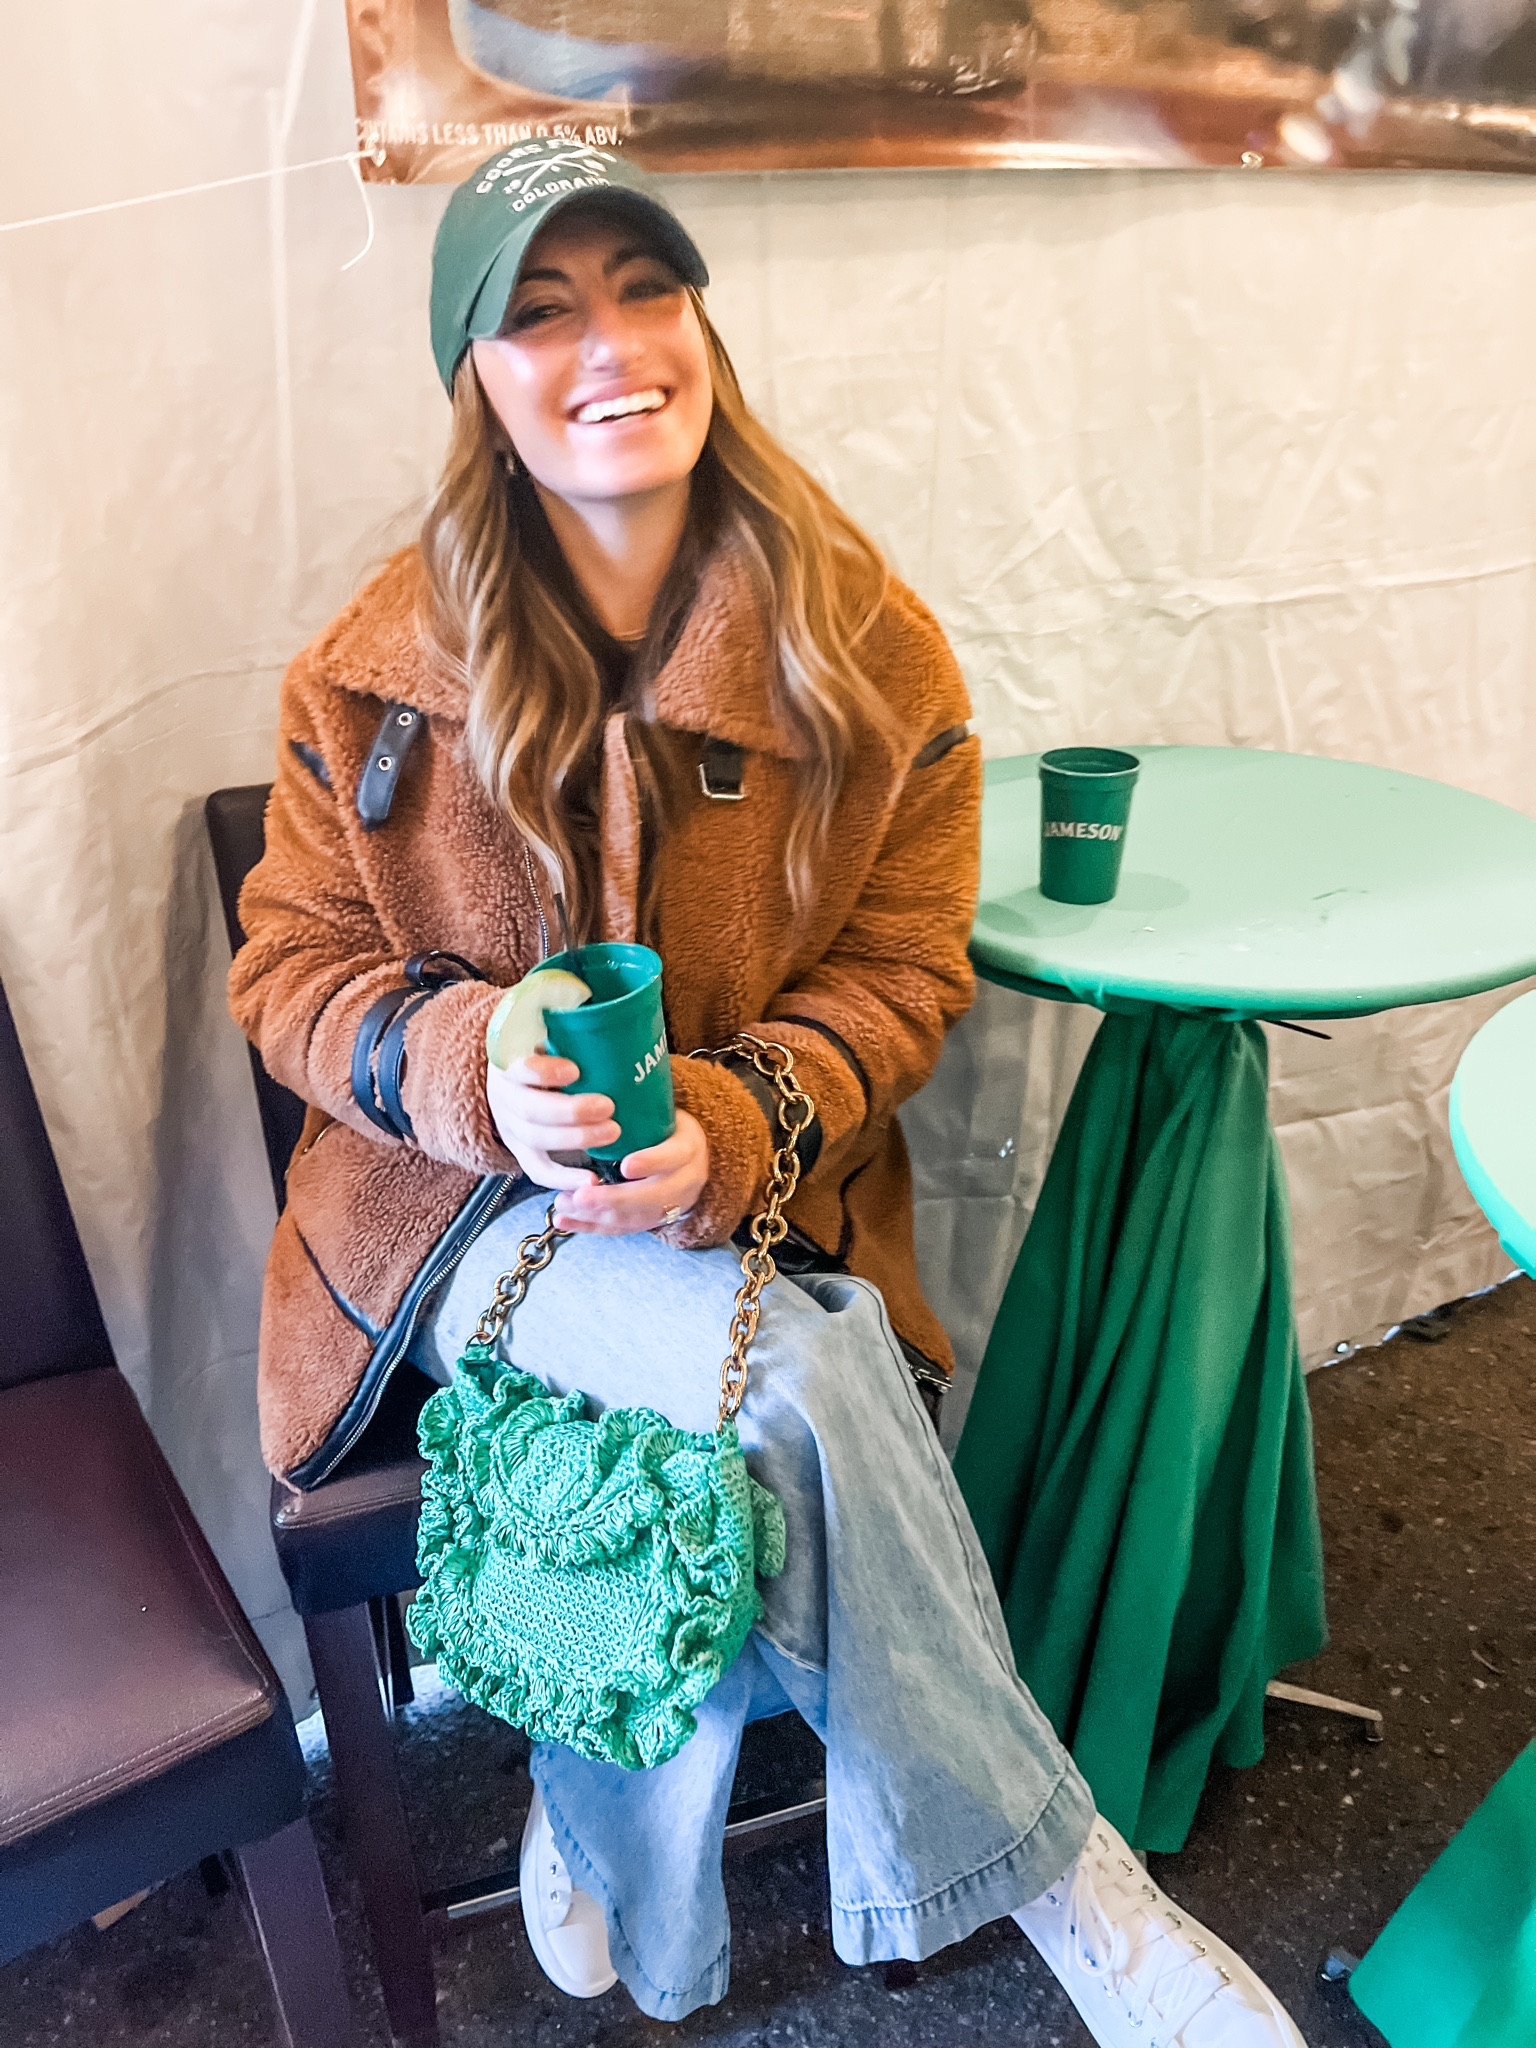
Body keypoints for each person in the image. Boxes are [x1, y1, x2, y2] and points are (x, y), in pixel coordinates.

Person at [230, 137, 1306, 2047]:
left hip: (759, 1205)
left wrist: (729, 1129)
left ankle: (590, 1798)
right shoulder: (371, 680)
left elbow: (905, 977)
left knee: (760, 1425)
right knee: (803, 1383)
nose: (607, 346)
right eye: (539, 311)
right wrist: (477, 1069)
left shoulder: (865, 653)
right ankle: (1078, 1896)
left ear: (702, 323)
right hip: (448, 1227)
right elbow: (288, 977)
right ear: (473, 374)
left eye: (646, 289)